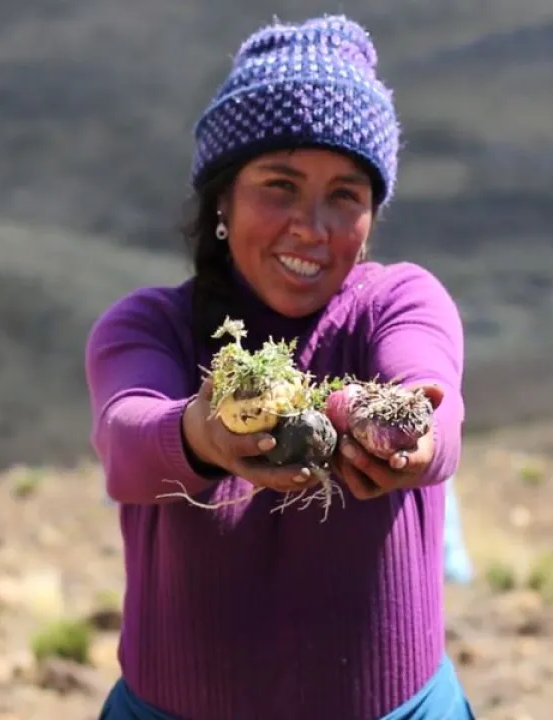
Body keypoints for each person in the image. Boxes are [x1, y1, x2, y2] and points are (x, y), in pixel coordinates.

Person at [85, 14, 475, 720]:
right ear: (222, 203)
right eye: (280, 186)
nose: (313, 226)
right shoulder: (150, 328)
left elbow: (432, 401)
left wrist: (401, 431)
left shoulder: (399, 301)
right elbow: (126, 437)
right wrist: (202, 434)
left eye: (345, 195)